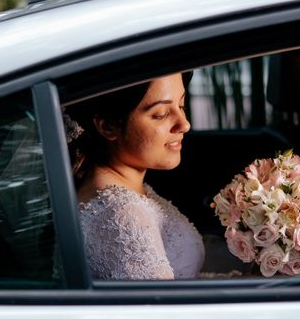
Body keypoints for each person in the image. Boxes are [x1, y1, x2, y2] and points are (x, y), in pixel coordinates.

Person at [66, 73, 205, 280]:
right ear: (107, 127)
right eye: (160, 114)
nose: (184, 124)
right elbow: (166, 308)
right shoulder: (121, 216)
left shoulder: (126, 190)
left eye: (181, 105)